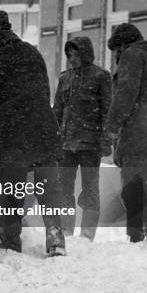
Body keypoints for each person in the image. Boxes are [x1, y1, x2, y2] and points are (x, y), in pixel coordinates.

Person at [0, 9, 66, 257]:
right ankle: (55, 236)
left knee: (11, 192)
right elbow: (44, 91)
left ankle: (11, 243)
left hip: (11, 135)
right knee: (47, 187)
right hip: (43, 129)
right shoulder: (32, 52)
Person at [105, 23, 147, 250]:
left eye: (115, 50)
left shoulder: (132, 56)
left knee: (133, 186)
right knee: (134, 186)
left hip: (138, 132)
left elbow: (126, 93)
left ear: (122, 45)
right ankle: (135, 238)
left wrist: (113, 125)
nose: (114, 55)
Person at [53, 37, 112, 240]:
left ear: (86, 53)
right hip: (66, 145)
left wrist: (106, 139)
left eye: (76, 54)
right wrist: (53, 140)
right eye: (69, 54)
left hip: (90, 144)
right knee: (64, 191)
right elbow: (57, 112)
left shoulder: (101, 77)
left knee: (90, 191)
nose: (72, 58)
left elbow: (107, 112)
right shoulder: (64, 79)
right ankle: (67, 231)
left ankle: (87, 235)